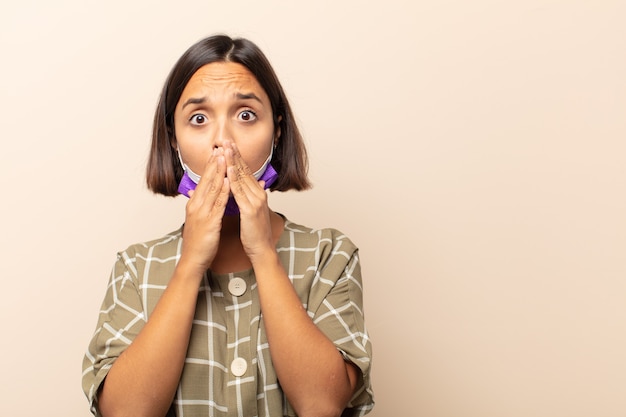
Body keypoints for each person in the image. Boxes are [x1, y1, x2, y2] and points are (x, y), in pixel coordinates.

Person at [82, 34, 374, 417]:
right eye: (199, 119)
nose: (224, 142)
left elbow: (322, 406)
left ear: (278, 130)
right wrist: (190, 265)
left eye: (246, 115)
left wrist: (264, 254)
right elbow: (124, 412)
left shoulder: (329, 256)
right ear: (173, 140)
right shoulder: (136, 268)